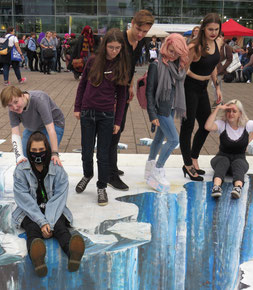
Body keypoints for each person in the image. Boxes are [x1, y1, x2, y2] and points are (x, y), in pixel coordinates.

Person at [12, 131, 85, 276]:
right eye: (34, 151)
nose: (38, 154)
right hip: (30, 210)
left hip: (54, 208)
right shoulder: (21, 170)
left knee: (60, 227)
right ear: (28, 151)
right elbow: (23, 199)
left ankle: (73, 255)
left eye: (41, 150)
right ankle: (38, 261)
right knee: (32, 228)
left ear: (47, 149)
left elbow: (59, 197)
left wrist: (49, 223)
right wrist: (41, 222)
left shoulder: (57, 168)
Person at [73, 28, 130, 206]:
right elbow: (82, 85)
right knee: (87, 151)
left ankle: (102, 186)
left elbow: (122, 97)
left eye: (117, 48)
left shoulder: (122, 66)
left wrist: (118, 121)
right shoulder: (92, 61)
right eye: (111, 47)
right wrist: (77, 107)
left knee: (103, 154)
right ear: (105, 45)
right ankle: (87, 174)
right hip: (87, 113)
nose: (114, 51)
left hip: (107, 115)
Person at [108, 9, 154, 191]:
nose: (141, 34)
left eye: (145, 32)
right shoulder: (119, 39)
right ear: (132, 23)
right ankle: (109, 174)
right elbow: (108, 65)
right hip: (111, 90)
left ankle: (113, 166)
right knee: (112, 131)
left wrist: (130, 85)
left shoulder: (140, 41)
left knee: (120, 128)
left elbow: (132, 66)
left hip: (123, 90)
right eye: (139, 29)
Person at [179, 13, 223, 182]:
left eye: (216, 29)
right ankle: (187, 164)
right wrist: (199, 78)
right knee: (188, 126)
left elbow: (213, 66)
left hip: (203, 89)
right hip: (189, 87)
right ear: (204, 28)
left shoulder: (217, 42)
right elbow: (183, 69)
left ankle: (194, 157)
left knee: (206, 125)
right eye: (210, 29)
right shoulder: (194, 47)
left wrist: (216, 86)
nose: (213, 32)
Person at [145, 33, 188, 192]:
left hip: (170, 108)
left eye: (177, 52)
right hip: (160, 109)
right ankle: (158, 168)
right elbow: (149, 92)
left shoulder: (178, 67)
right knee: (173, 140)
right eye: (172, 50)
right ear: (165, 46)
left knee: (159, 139)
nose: (174, 54)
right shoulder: (156, 65)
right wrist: (152, 115)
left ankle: (150, 167)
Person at [204, 100, 253, 199]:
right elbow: (208, 126)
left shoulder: (247, 125)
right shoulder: (222, 124)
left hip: (239, 158)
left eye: (234, 111)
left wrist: (248, 140)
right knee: (224, 161)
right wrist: (217, 108)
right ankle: (216, 187)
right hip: (221, 157)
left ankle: (237, 188)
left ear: (240, 113)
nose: (230, 114)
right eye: (228, 111)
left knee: (238, 164)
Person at [0, 86, 64, 166]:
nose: (14, 107)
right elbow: (15, 132)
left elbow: (50, 129)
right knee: (23, 158)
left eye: (16, 102)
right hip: (33, 127)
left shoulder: (39, 99)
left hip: (54, 124)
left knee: (46, 157)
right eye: (9, 105)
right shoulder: (12, 109)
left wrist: (54, 153)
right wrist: (19, 156)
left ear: (22, 95)